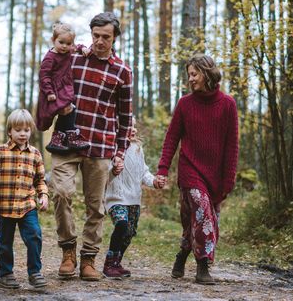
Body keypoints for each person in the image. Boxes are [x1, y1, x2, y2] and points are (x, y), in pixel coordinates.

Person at [50, 11, 133, 281]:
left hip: (100, 146)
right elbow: (48, 64)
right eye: (95, 35)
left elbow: (125, 117)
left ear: (115, 38)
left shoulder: (122, 71)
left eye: (105, 37)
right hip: (66, 142)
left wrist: (120, 153)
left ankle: (88, 259)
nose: (99, 41)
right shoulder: (73, 59)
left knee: (95, 207)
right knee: (61, 193)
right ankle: (68, 252)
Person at [156, 54, 239, 285]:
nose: (190, 79)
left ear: (207, 74)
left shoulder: (228, 104)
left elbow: (232, 146)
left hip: (215, 175)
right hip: (190, 171)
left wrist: (228, 181)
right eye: (189, 75)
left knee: (202, 221)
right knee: (203, 215)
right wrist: (163, 169)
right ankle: (203, 267)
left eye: (194, 74)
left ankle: (182, 254)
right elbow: (171, 139)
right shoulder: (185, 104)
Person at [0, 109, 49, 289]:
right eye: (18, 130)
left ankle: (34, 272)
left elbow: (40, 180)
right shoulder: (0, 152)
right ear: (10, 131)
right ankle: (6, 274)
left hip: (27, 205)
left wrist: (43, 195)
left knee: (34, 236)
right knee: (5, 242)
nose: (23, 134)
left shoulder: (35, 154)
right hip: (5, 206)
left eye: (26, 130)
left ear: (31, 131)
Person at [102, 119, 164, 279]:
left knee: (129, 232)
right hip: (116, 197)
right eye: (129, 126)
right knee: (121, 225)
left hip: (134, 199)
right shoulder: (112, 148)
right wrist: (113, 171)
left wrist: (154, 181)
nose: (134, 129)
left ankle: (117, 262)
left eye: (135, 126)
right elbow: (104, 174)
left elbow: (143, 172)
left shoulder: (137, 148)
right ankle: (109, 263)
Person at [36, 21, 90, 153]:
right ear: (53, 40)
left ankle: (58, 138)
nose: (65, 46)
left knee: (68, 110)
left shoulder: (68, 50)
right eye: (61, 42)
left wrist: (82, 48)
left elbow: (76, 47)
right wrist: (49, 92)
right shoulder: (50, 57)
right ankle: (71, 136)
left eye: (68, 43)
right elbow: (44, 76)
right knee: (69, 109)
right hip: (55, 90)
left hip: (64, 88)